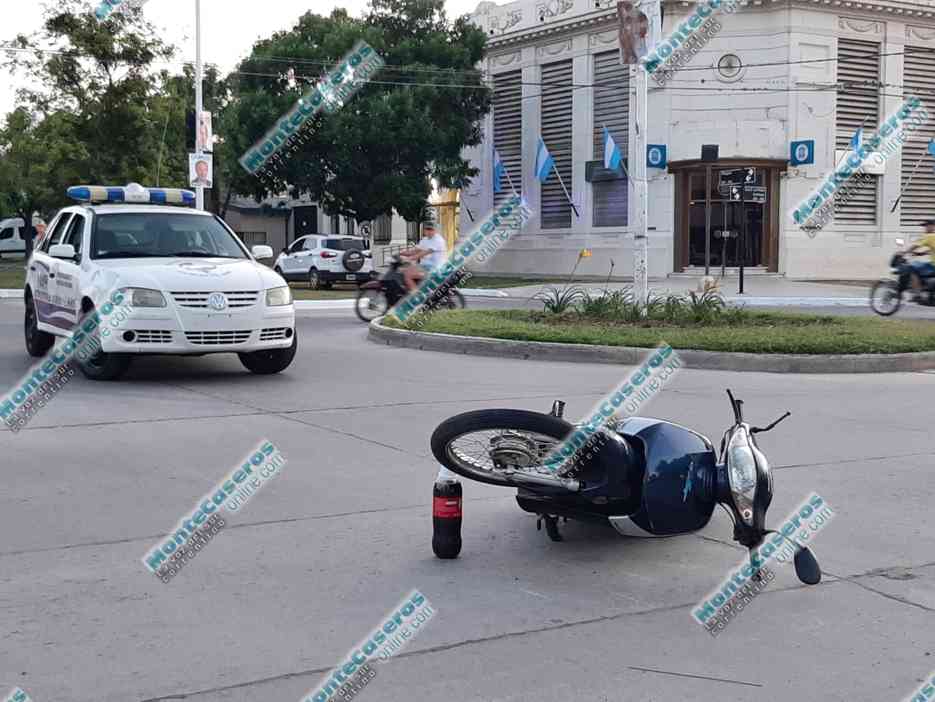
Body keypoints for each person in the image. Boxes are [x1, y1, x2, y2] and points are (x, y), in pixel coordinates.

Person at [400, 222, 446, 292]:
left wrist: (410, 258)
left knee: (407, 275)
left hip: (434, 269)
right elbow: (415, 251)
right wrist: (401, 253)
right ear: (424, 230)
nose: (429, 231)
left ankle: (417, 297)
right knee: (403, 270)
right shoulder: (425, 240)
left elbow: (424, 253)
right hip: (424, 266)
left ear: (435, 230)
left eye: (431, 229)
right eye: (427, 229)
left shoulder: (438, 240)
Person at [905, 219, 935, 297]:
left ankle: (917, 294)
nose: (925, 228)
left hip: (933, 266)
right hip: (932, 264)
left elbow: (916, 245)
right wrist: (921, 253)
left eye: (926, 226)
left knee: (912, 268)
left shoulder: (929, 236)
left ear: (932, 226)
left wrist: (905, 252)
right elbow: (932, 249)